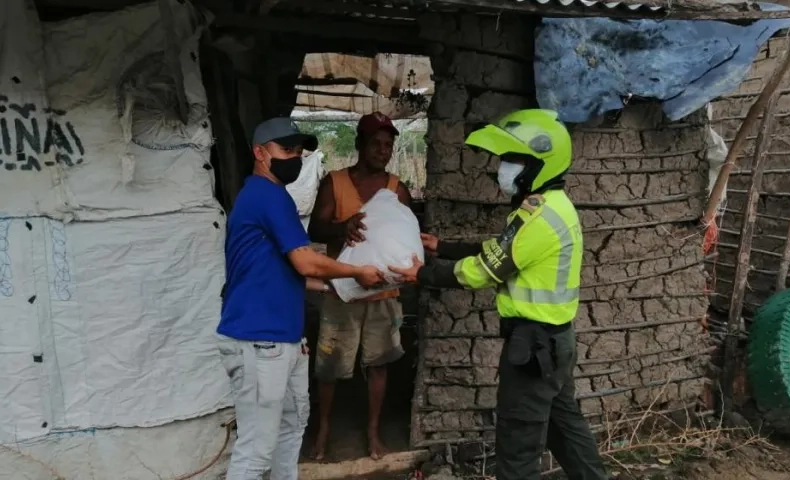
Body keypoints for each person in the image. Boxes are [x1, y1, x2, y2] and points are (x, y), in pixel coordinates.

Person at [390, 109, 608, 480]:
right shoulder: (551, 207)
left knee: (518, 447)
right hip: (555, 342)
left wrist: (423, 274)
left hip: (534, 348)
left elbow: (485, 270)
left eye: (514, 159)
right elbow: (503, 249)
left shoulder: (539, 218)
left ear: (540, 164)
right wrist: (445, 246)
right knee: (565, 428)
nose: (504, 168)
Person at [217, 116, 386, 480]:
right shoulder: (266, 196)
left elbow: (282, 270)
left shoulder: (269, 196)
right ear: (260, 153)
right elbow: (306, 261)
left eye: (298, 151)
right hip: (260, 338)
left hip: (284, 339)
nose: (294, 157)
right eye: (285, 150)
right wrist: (357, 272)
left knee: (292, 427)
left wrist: (333, 287)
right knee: (257, 450)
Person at [307, 111, 413, 460]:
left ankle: (372, 432)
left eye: (388, 145)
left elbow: (410, 234)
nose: (383, 151)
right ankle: (323, 430)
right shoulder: (335, 183)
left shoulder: (397, 189)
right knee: (330, 366)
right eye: (376, 144)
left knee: (379, 364)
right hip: (343, 292)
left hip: (383, 293)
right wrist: (343, 227)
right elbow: (315, 230)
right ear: (359, 144)